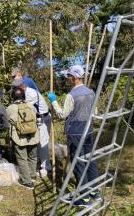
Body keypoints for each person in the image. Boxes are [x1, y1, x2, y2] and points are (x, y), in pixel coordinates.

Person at [48, 65, 100, 207]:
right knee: (90, 161)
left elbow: (62, 115)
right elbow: (94, 111)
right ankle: (95, 192)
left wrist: (53, 101)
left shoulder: (71, 95)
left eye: (68, 76)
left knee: (78, 164)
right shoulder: (90, 92)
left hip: (75, 133)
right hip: (88, 131)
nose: (67, 79)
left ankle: (84, 199)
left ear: (74, 77)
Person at [13, 79, 52, 178]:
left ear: (20, 87)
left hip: (43, 119)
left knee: (43, 143)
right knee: (37, 142)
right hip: (37, 119)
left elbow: (22, 107)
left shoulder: (31, 94)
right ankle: (39, 162)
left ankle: (46, 168)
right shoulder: (26, 92)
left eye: (15, 89)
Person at [6, 87, 40, 190]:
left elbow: (7, 122)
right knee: (33, 157)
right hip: (33, 136)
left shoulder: (10, 108)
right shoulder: (30, 105)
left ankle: (27, 182)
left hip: (19, 138)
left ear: (13, 97)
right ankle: (32, 175)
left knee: (22, 159)